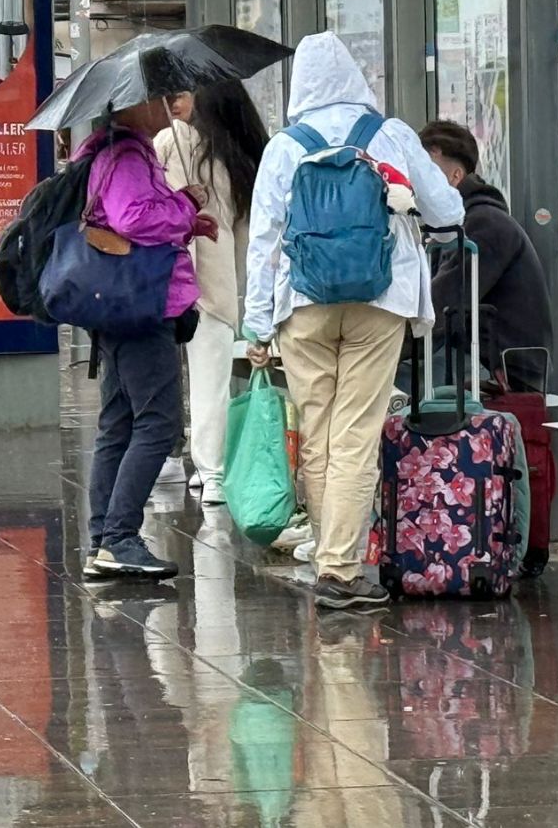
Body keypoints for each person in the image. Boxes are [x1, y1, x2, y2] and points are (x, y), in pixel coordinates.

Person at [243, 32, 464, 610]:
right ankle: (340, 571)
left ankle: (328, 555)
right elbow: (449, 210)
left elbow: (264, 240)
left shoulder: (285, 147)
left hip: (303, 305)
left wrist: (257, 325)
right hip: (379, 299)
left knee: (316, 434)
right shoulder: (388, 134)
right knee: (355, 435)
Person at [80, 97, 216, 582]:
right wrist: (187, 203)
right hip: (141, 306)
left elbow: (133, 223)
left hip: (120, 304)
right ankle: (118, 538)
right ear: (131, 104)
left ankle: (104, 541)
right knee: (159, 423)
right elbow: (134, 218)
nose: (171, 104)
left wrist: (184, 222)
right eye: (161, 96)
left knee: (118, 424)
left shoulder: (114, 152)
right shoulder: (127, 156)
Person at [156, 80, 266, 510]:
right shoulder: (236, 156)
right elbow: (245, 233)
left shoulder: (172, 141)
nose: (176, 104)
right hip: (219, 288)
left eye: (183, 96)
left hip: (169, 283)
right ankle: (213, 474)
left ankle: (167, 457)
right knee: (211, 386)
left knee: (162, 379)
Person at [419, 121, 553, 393]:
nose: (415, 183)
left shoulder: (485, 225)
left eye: (425, 174)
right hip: (470, 353)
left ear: (455, 177)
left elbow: (442, 303)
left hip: (501, 366)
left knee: (389, 379)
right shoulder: (449, 225)